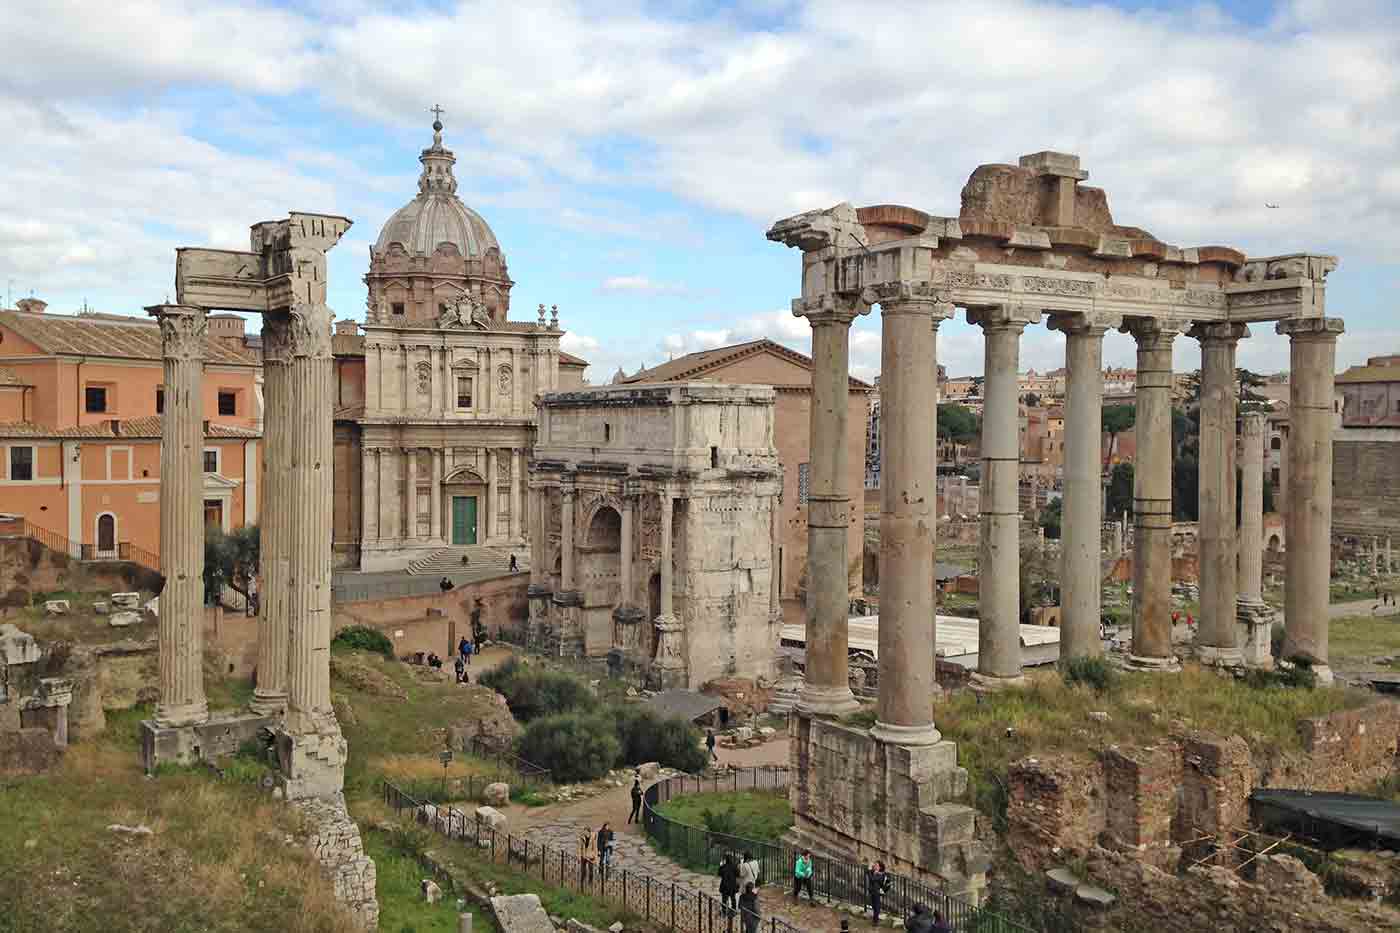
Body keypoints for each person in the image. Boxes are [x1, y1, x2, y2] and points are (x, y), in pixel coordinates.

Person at [866, 860, 890, 925]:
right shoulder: (874, 872)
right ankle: (875, 919)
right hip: (872, 891)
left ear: (880, 867)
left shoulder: (881, 874)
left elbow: (872, 879)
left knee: (876, 906)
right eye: (875, 865)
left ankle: (875, 921)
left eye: (876, 865)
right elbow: (868, 873)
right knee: (874, 906)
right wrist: (870, 868)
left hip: (877, 892)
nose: (875, 866)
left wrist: (869, 871)